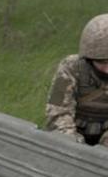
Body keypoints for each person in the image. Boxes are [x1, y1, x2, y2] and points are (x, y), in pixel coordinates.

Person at [46, 14, 108, 146]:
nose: (107, 70)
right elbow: (56, 109)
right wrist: (72, 142)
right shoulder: (70, 67)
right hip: (73, 130)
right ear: (89, 57)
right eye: (102, 62)